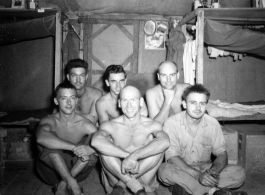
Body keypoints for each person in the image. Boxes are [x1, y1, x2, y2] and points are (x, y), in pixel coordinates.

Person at [158, 84, 247, 195]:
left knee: (239, 173)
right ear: (184, 104)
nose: (198, 108)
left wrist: (213, 173)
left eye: (202, 103)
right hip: (181, 169)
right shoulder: (171, 123)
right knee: (164, 171)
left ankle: (189, 189)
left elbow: (222, 154)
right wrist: (197, 175)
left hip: (206, 168)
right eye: (193, 103)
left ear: (206, 105)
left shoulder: (213, 123)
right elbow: (171, 158)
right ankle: (214, 191)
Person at [92, 86, 170, 195]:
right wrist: (128, 156)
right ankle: (133, 184)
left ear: (141, 102)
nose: (129, 105)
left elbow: (165, 141)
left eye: (133, 100)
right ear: (119, 103)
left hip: (144, 175)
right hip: (117, 173)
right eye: (125, 100)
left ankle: (123, 183)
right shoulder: (110, 125)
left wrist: (135, 156)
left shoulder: (151, 125)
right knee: (104, 150)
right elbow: (95, 141)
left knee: (159, 147)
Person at [36, 81, 98, 195]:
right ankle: (72, 184)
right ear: (56, 101)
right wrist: (73, 147)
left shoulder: (85, 124)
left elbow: (105, 141)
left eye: (72, 98)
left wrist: (91, 149)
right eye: (64, 98)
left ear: (76, 100)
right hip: (51, 174)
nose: (69, 102)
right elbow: (40, 137)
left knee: (91, 143)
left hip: (79, 173)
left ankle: (64, 184)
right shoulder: (49, 120)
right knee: (50, 142)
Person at [65, 58, 103, 125]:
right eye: (74, 75)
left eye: (82, 75)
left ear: (86, 77)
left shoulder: (96, 94)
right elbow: (56, 120)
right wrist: (82, 116)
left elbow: (91, 122)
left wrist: (71, 118)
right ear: (68, 77)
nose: (78, 79)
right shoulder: (62, 94)